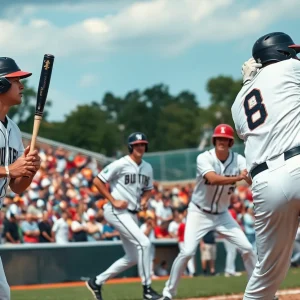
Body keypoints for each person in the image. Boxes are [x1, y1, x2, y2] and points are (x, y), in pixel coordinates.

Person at [231, 31, 300, 300]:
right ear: (282, 54)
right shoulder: (290, 68)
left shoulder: (238, 102)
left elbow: (251, 129)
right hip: (297, 163)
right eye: (291, 50)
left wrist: (249, 83)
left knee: (267, 273)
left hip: (264, 182)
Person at [161, 124, 256, 300]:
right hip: (199, 212)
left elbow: (250, 180)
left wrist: (248, 175)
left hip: (222, 214)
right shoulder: (204, 158)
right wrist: (238, 177)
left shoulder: (239, 160)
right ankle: (168, 293)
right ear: (214, 140)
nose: (221, 141)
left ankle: (260, 293)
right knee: (187, 252)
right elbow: (212, 179)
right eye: (218, 138)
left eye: (225, 139)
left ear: (230, 142)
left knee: (248, 249)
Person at [86, 132, 161, 300]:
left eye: (142, 144)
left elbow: (148, 189)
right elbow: (98, 181)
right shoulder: (120, 164)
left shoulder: (147, 167)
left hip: (132, 214)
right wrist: (113, 200)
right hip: (116, 211)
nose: (140, 147)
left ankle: (96, 282)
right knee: (145, 243)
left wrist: (146, 199)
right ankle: (147, 289)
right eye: (136, 145)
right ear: (130, 147)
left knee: (133, 257)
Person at [0, 57, 41, 299]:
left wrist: (29, 170)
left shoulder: (13, 129)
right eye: (17, 81)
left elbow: (17, 187)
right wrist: (8, 169)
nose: (22, 86)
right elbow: (9, 171)